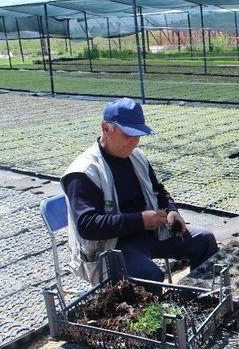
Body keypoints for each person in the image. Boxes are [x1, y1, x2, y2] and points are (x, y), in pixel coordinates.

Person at [61, 97, 218, 284]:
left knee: (204, 239)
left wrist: (172, 211)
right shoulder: (84, 172)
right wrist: (140, 220)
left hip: (150, 233)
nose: (134, 142)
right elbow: (87, 226)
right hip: (112, 246)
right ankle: (154, 311)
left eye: (138, 135)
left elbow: (159, 190)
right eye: (128, 135)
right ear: (105, 128)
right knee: (150, 276)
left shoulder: (135, 156)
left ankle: (204, 297)